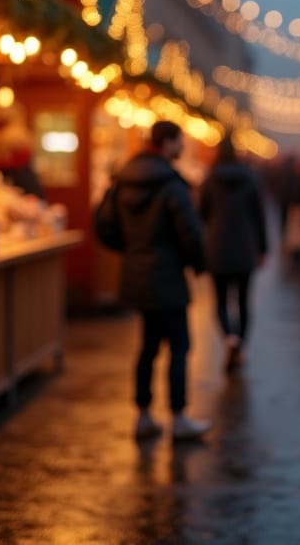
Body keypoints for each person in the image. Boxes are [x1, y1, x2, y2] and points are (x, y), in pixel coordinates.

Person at [109, 120, 210, 442]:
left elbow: (105, 223)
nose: (183, 146)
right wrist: (199, 263)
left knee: (148, 347)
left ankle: (143, 414)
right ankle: (178, 417)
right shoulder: (171, 183)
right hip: (167, 276)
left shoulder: (123, 179)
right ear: (167, 142)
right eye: (180, 140)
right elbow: (189, 231)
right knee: (179, 346)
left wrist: (131, 250)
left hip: (136, 273)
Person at [198, 136, 268, 373]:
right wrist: (263, 248)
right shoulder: (249, 177)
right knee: (243, 300)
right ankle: (241, 344)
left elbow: (201, 214)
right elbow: (259, 215)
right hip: (245, 246)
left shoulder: (209, 179)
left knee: (220, 300)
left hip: (217, 247)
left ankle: (229, 337)